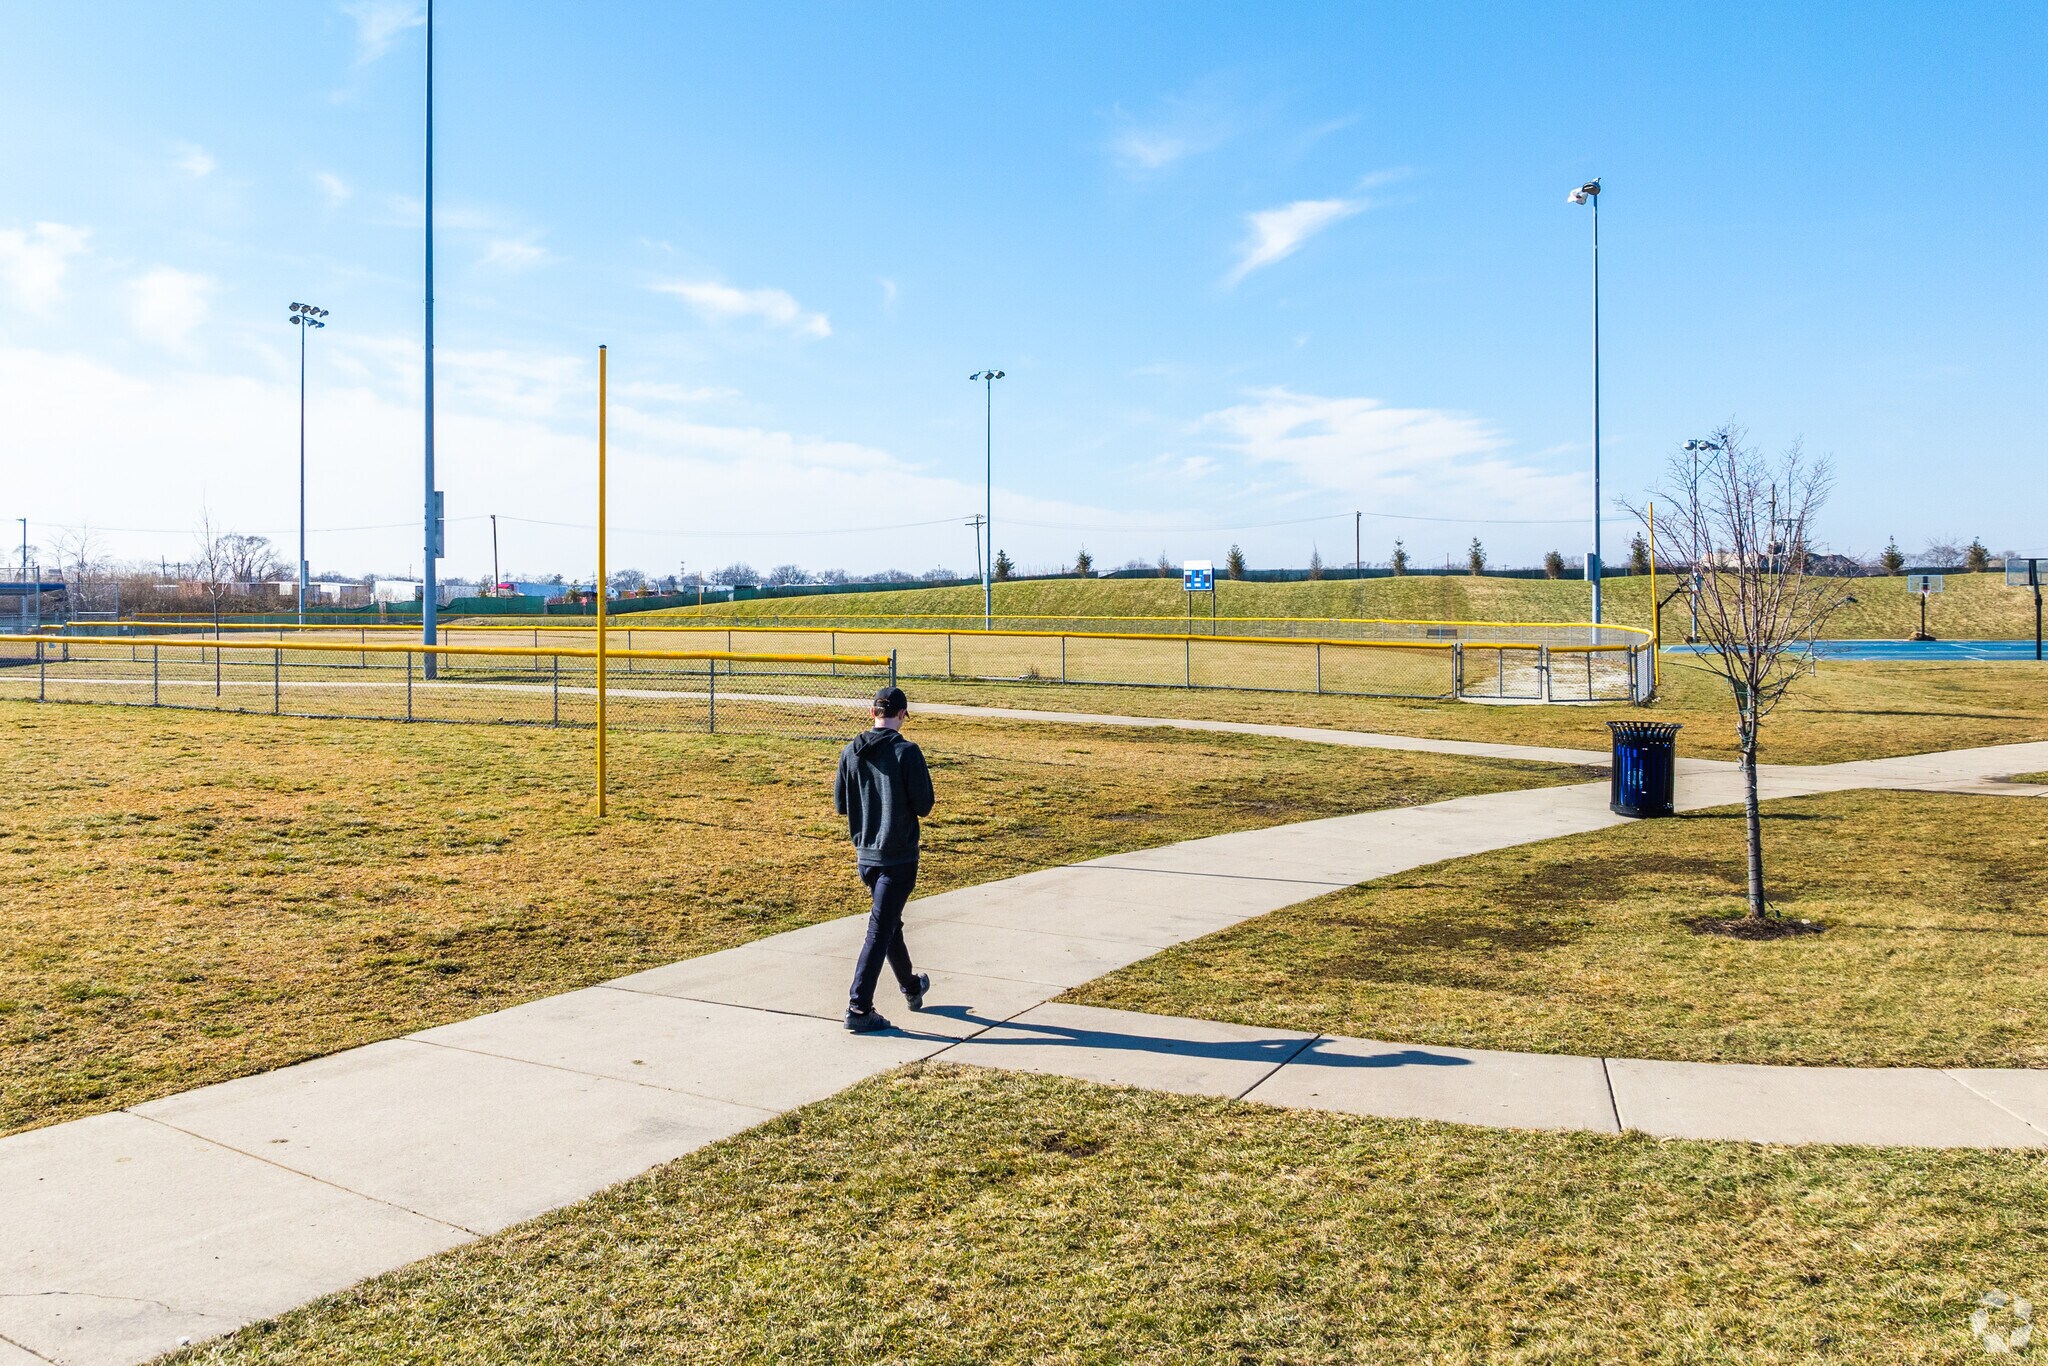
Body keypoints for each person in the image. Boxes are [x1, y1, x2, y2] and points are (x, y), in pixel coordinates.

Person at [833, 685, 934, 1033]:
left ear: (872, 712)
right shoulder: (908, 752)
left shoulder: (850, 752)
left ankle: (910, 985)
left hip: (866, 858)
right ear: (903, 715)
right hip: (899, 858)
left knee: (889, 923)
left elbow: (841, 805)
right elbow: (925, 806)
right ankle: (859, 1007)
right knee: (880, 929)